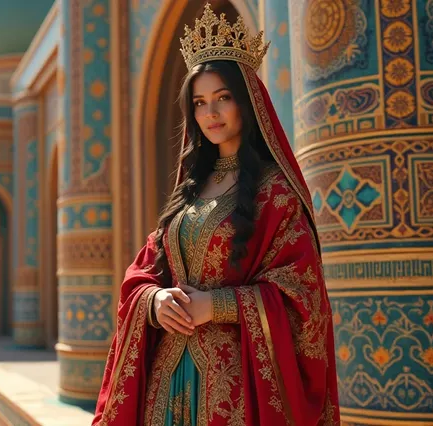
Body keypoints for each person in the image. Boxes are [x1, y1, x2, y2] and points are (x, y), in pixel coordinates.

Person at [92, 4, 340, 426]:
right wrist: (154, 301)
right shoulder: (189, 193)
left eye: (223, 98)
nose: (211, 113)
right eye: (200, 102)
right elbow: (143, 271)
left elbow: (304, 297)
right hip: (167, 383)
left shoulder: (276, 195)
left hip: (237, 390)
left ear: (247, 102)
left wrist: (218, 306)